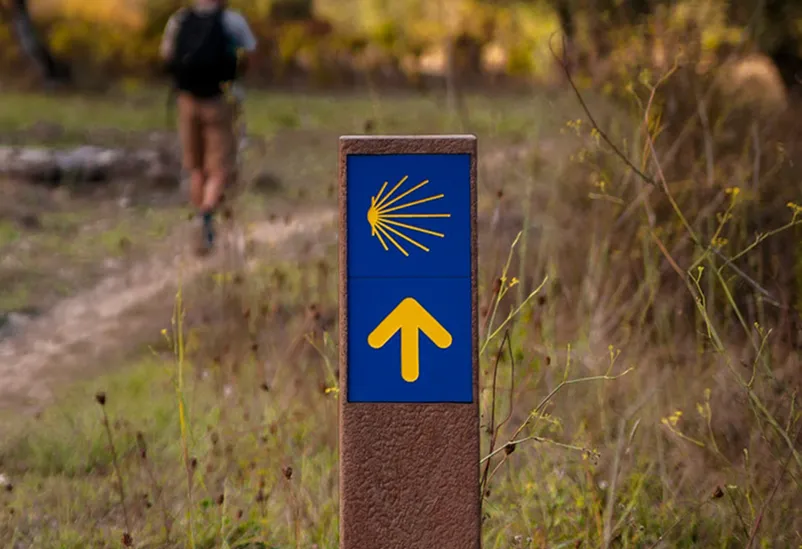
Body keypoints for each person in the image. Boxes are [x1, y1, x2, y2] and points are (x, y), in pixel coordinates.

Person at [160, 0, 257, 255]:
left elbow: (167, 55)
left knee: (196, 167)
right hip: (219, 100)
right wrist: (234, 73)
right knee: (220, 167)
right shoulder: (231, 20)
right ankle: (206, 217)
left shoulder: (180, 19)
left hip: (186, 100)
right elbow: (250, 52)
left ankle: (198, 216)